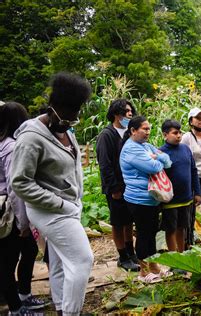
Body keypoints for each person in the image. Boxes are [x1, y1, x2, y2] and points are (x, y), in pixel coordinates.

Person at [11, 73, 94, 316]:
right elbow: (21, 182)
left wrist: (74, 200)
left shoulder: (66, 129)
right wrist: (61, 204)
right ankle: (71, 313)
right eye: (70, 116)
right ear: (54, 107)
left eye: (76, 115)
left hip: (67, 206)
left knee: (59, 262)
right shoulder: (31, 138)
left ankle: (60, 307)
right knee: (82, 260)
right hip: (51, 211)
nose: (74, 120)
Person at [0, 102, 47, 314]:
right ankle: (16, 308)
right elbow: (15, 188)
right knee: (8, 262)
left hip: (5, 212)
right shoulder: (11, 147)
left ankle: (23, 295)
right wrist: (23, 223)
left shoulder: (3, 143)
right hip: (10, 214)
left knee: (28, 251)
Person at [120, 116, 173, 283]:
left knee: (151, 233)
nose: (148, 132)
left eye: (149, 129)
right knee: (143, 234)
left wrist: (157, 157)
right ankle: (143, 272)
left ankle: (154, 267)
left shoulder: (145, 146)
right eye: (144, 129)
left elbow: (167, 161)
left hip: (151, 199)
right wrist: (157, 160)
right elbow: (153, 166)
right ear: (133, 131)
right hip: (138, 199)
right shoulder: (131, 149)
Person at [96, 99, 139, 271]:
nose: (130, 114)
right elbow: (104, 164)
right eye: (126, 111)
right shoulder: (106, 135)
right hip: (116, 187)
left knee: (129, 221)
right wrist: (114, 188)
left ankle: (131, 251)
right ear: (116, 114)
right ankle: (122, 256)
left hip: (130, 185)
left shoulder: (129, 133)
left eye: (131, 111)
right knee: (118, 222)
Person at [160, 119, 201, 253]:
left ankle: (181, 254)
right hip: (170, 200)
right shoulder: (161, 153)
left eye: (180, 133)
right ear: (165, 135)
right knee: (170, 229)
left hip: (186, 199)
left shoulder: (185, 149)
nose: (179, 136)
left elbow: (193, 171)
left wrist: (197, 192)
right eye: (175, 133)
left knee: (182, 228)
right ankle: (173, 258)